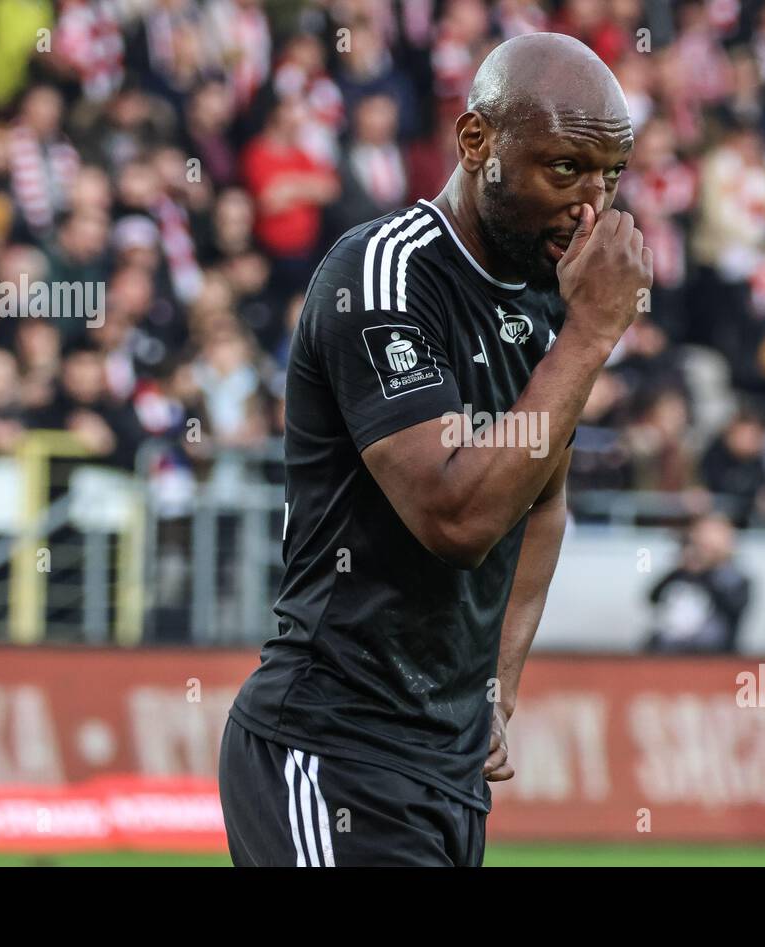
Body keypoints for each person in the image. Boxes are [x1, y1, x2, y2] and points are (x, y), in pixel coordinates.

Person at [219, 32, 652, 867]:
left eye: (610, 175)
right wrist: (593, 333)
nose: (591, 206)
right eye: (565, 168)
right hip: (333, 748)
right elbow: (456, 517)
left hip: (447, 772)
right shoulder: (382, 275)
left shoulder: (547, 303)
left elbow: (544, 504)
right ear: (477, 142)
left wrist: (501, 680)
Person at [646, 512, 753, 654]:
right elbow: (653, 598)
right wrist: (680, 570)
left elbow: (732, 608)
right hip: (671, 651)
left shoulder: (734, 578)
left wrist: (705, 571)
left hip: (713, 655)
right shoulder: (682, 573)